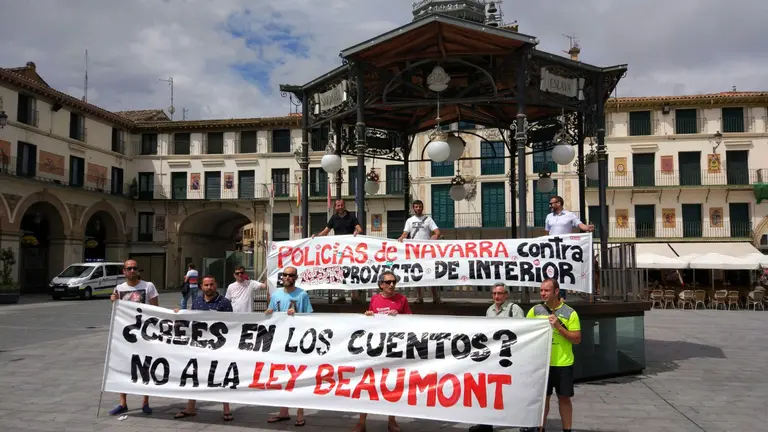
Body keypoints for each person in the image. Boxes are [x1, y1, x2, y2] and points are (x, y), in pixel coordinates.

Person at [521, 279, 582, 432]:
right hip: (542, 364)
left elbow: (577, 339)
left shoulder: (570, 312)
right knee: (543, 399)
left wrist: (558, 326)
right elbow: (525, 333)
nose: (543, 293)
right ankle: (540, 428)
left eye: (546, 290)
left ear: (556, 292)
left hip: (563, 363)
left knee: (564, 399)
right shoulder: (535, 311)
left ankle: (567, 429)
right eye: (541, 290)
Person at [172, 275, 235, 421]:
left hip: (219, 346)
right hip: (199, 345)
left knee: (221, 375)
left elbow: (232, 323)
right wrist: (178, 314)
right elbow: (192, 320)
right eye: (206, 285)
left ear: (216, 285)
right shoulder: (197, 301)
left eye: (211, 284)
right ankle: (191, 407)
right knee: (194, 374)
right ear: (201, 287)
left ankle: (226, 409)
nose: (209, 287)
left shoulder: (224, 303)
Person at [353, 270, 408, 432]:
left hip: (393, 348)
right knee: (368, 384)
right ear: (381, 285)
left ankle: (392, 420)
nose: (392, 285)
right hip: (375, 348)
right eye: (389, 282)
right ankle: (362, 422)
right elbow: (370, 320)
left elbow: (410, 321)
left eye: (394, 282)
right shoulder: (375, 299)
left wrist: (400, 316)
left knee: (392, 385)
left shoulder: (402, 299)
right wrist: (368, 315)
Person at [468, 283, 524, 432]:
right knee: (491, 390)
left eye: (500, 293)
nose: (496, 296)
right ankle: (487, 423)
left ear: (507, 295)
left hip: (511, 356)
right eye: (494, 293)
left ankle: (525, 422)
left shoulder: (514, 309)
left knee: (516, 390)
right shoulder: (489, 310)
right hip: (494, 357)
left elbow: (524, 331)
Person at [109, 259, 159, 416]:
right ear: (124, 271)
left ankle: (145, 401)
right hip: (126, 334)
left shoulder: (148, 286)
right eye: (129, 268)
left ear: (138, 271)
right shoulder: (119, 288)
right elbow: (118, 312)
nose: (132, 271)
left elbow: (156, 309)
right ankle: (123, 403)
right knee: (123, 365)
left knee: (144, 366)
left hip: (144, 333)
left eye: (134, 268)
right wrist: (113, 302)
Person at [265, 266, 312, 427]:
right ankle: (283, 411)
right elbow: (272, 314)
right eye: (285, 274)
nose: (287, 277)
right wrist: (269, 312)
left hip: (296, 341)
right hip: (280, 341)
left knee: (298, 377)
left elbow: (309, 317)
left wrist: (297, 314)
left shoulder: (302, 294)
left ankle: (300, 413)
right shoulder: (276, 294)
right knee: (282, 376)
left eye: (290, 275)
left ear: (295, 277)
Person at [312, 199, 364, 303]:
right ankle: (341, 296)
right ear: (335, 207)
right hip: (338, 250)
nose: (340, 207)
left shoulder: (352, 216)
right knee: (340, 271)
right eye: (338, 205)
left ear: (344, 206)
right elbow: (326, 231)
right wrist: (316, 236)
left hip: (350, 250)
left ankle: (355, 295)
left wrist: (356, 232)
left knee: (352, 270)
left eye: (341, 205)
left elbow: (360, 229)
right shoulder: (333, 218)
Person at [545, 196, 593, 300]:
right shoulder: (549, 216)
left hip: (565, 248)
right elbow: (547, 232)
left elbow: (579, 224)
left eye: (552, 203)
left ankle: (562, 296)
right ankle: (552, 295)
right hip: (552, 248)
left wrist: (587, 228)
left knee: (562, 271)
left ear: (558, 203)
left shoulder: (569, 215)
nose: (550, 205)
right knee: (552, 271)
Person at [397, 200, 442, 304]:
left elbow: (437, 232)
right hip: (415, 252)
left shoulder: (428, 220)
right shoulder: (409, 220)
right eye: (416, 207)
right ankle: (419, 297)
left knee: (431, 273)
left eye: (420, 207)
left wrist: (435, 236)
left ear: (422, 207)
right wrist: (401, 237)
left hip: (427, 252)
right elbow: (405, 233)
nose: (418, 208)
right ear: (413, 208)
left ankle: (435, 297)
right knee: (417, 274)